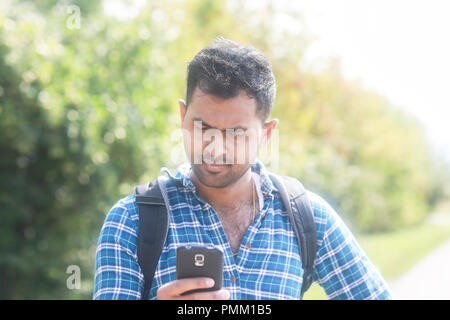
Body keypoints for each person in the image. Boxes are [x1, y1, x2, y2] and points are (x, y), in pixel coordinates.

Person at [93, 37, 392, 300]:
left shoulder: (308, 218)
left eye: (235, 134)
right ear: (182, 115)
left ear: (266, 133)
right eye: (202, 126)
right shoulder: (131, 221)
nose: (214, 148)